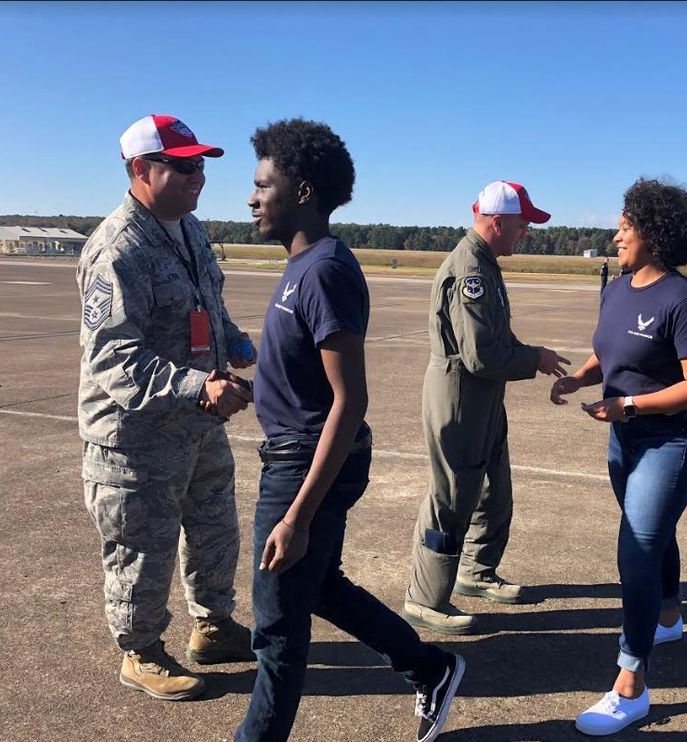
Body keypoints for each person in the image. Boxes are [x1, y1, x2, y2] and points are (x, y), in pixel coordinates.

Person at [235, 119, 464, 742]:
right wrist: (250, 391)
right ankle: (431, 666)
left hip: (305, 467)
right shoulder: (300, 263)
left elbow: (348, 399)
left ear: (303, 191)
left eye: (263, 186)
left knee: (277, 629)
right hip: (299, 451)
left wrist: (297, 516)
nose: (251, 198)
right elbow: (306, 383)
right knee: (321, 588)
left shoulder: (325, 270)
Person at [77, 114, 257, 701]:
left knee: (213, 528)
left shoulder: (190, 229)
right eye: (182, 166)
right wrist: (195, 387)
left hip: (198, 426)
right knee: (141, 543)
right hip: (136, 434)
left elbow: (211, 302)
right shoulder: (116, 249)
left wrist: (243, 347)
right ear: (140, 169)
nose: (197, 176)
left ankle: (213, 626)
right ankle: (141, 652)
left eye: (200, 165)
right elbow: (113, 357)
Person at [550, 179, 687, 736]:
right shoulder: (619, 286)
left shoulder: (684, 299)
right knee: (653, 535)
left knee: (637, 547)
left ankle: (631, 684)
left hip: (672, 436)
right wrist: (580, 376)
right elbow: (609, 349)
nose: (617, 233)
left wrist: (629, 405)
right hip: (626, 434)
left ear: (656, 232)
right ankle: (668, 616)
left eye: (627, 224)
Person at [403, 181, 570, 635]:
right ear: (497, 222)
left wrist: (532, 352)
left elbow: (499, 339)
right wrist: (533, 359)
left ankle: (475, 572)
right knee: (451, 496)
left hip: (484, 396)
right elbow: (480, 356)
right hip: (460, 396)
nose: (526, 233)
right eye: (522, 225)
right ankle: (425, 597)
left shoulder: (486, 264)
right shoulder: (470, 271)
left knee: (494, 488)